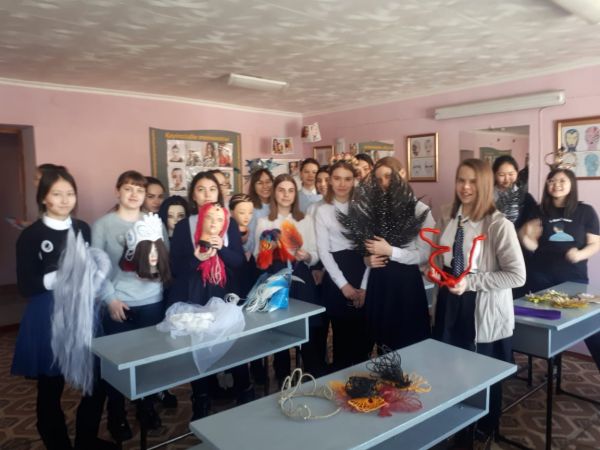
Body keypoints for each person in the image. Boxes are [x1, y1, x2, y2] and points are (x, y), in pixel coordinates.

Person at [11, 167, 117, 450]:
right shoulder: (31, 235)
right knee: (51, 386)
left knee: (96, 380)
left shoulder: (82, 228)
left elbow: (91, 267)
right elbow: (26, 286)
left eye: (70, 193)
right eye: (56, 194)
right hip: (48, 316)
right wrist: (62, 276)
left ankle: (86, 439)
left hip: (83, 313)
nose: (64, 199)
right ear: (43, 198)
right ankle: (57, 444)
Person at [431, 158, 526, 446]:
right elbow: (443, 256)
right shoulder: (448, 216)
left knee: (483, 374)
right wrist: (434, 269)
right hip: (450, 304)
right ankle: (457, 424)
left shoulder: (498, 224)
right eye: (461, 180)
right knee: (451, 367)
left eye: (473, 181)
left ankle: (485, 428)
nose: (465, 187)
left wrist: (471, 283)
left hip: (481, 308)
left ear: (485, 184)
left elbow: (517, 275)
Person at [169, 171, 253, 419]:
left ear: (219, 194)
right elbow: (175, 267)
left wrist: (221, 248)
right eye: (201, 189)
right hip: (193, 294)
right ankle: (202, 397)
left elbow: (238, 262)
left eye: (212, 189)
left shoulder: (229, 223)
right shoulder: (184, 226)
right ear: (193, 195)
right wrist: (196, 257)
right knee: (198, 344)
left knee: (233, 341)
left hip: (225, 291)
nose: (207, 194)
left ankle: (243, 390)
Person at [92, 171, 168, 441]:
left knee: (148, 360)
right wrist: (110, 299)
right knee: (117, 363)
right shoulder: (103, 224)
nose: (134, 194)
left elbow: (165, 258)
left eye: (139, 189)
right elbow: (96, 267)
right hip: (118, 304)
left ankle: (145, 407)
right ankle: (116, 414)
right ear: (117, 191)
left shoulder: (153, 222)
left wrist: (157, 272)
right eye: (128, 188)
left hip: (152, 302)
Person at [520, 168, 600, 371]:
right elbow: (533, 246)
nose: (556, 184)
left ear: (572, 184)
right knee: (545, 326)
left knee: (590, 326)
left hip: (574, 280)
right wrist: (524, 236)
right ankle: (551, 365)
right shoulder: (539, 210)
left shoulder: (585, 211)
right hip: (540, 278)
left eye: (562, 180)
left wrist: (579, 254)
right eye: (551, 181)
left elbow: (595, 243)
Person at [361, 157, 434, 351]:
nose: (384, 183)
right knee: (383, 345)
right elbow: (368, 248)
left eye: (388, 176)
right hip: (379, 283)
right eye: (379, 179)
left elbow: (424, 254)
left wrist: (390, 251)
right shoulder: (376, 209)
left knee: (408, 344)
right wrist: (367, 260)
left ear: (402, 174)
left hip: (405, 285)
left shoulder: (420, 211)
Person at [254, 174, 322, 379]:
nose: (286, 195)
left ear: (295, 194)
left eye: (290, 190)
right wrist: (269, 249)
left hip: (301, 275)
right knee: (280, 326)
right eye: (281, 190)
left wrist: (307, 256)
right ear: (274, 193)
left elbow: (315, 253)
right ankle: (282, 373)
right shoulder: (264, 221)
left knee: (308, 326)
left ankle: (312, 371)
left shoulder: (305, 220)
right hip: (276, 276)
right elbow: (258, 258)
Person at [315, 161, 371, 371]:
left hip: (362, 268)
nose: (342, 184)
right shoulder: (323, 210)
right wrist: (343, 285)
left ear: (354, 181)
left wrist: (364, 286)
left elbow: (370, 250)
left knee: (362, 336)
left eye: (347, 179)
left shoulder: (363, 208)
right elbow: (324, 252)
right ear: (330, 180)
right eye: (337, 178)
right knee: (342, 336)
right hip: (337, 273)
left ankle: (363, 382)